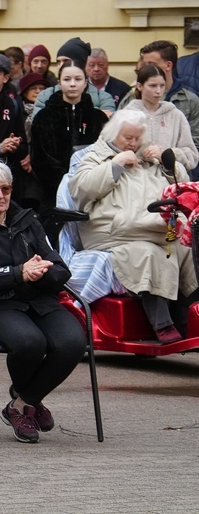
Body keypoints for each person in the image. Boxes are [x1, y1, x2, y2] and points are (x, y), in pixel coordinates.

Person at [0, 157, 88, 443]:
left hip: (38, 300)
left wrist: (39, 273)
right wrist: (18, 273)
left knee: (74, 341)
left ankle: (23, 402)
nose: (0, 195)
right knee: (30, 342)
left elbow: (60, 268)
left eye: (6, 189)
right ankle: (28, 401)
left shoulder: (28, 221)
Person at [71, 110, 197, 343]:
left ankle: (188, 320)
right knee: (151, 254)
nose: (133, 143)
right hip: (113, 230)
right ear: (113, 133)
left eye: (138, 137)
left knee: (188, 249)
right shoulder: (96, 156)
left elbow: (182, 184)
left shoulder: (148, 156)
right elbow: (80, 190)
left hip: (152, 227)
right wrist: (115, 165)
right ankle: (163, 324)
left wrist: (166, 162)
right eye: (128, 137)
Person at [30, 63, 109, 212]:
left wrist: (86, 180)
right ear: (59, 82)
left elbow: (105, 152)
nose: (72, 84)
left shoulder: (98, 118)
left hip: (91, 191)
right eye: (67, 79)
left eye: (78, 79)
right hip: (52, 192)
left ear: (85, 82)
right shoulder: (44, 117)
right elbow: (39, 157)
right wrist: (64, 181)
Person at [122, 62, 198, 172]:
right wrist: (139, 154)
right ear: (139, 86)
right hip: (135, 177)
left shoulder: (175, 115)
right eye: (152, 86)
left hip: (169, 179)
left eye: (162, 85)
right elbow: (113, 151)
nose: (158, 91)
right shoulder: (126, 115)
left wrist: (166, 155)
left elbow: (192, 156)